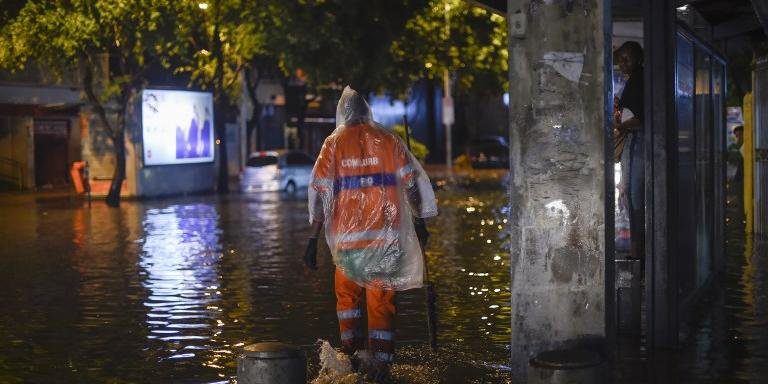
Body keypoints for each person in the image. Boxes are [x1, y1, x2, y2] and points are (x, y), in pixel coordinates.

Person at [303, 86, 437, 382]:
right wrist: (418, 221)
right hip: (385, 246)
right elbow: (411, 185)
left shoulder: (333, 144)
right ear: (367, 111)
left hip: (347, 248)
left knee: (348, 305)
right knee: (382, 306)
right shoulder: (389, 140)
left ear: (342, 112)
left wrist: (313, 239)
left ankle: (350, 361)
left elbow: (320, 193)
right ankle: (383, 367)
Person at [614, 41, 645, 261]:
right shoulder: (635, 80)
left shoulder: (640, 81)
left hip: (638, 143)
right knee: (630, 196)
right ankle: (637, 250)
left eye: (627, 59)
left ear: (637, 58)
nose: (623, 64)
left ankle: (637, 252)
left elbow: (639, 119)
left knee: (634, 197)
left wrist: (620, 125)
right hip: (635, 143)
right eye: (620, 60)